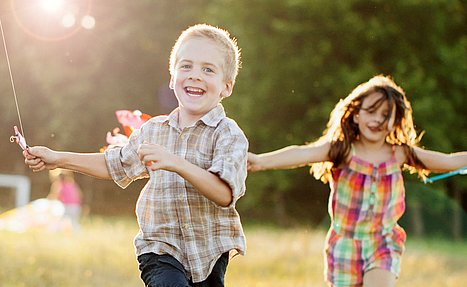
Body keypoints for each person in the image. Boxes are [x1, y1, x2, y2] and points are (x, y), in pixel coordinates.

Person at [24, 23, 248, 287]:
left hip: (209, 253)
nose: (195, 75)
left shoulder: (228, 135)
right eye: (185, 66)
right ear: (172, 77)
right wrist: (57, 158)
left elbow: (224, 194)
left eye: (208, 69)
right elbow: (114, 165)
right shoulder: (153, 130)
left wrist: (176, 163)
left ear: (226, 87)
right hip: (159, 250)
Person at [248, 75, 467, 287]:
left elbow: (447, 160)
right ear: (356, 115)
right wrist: (260, 161)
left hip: (383, 242)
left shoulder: (400, 154)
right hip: (344, 245)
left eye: (385, 115)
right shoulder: (342, 150)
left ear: (394, 122)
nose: (377, 120)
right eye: (371, 111)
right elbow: (301, 154)